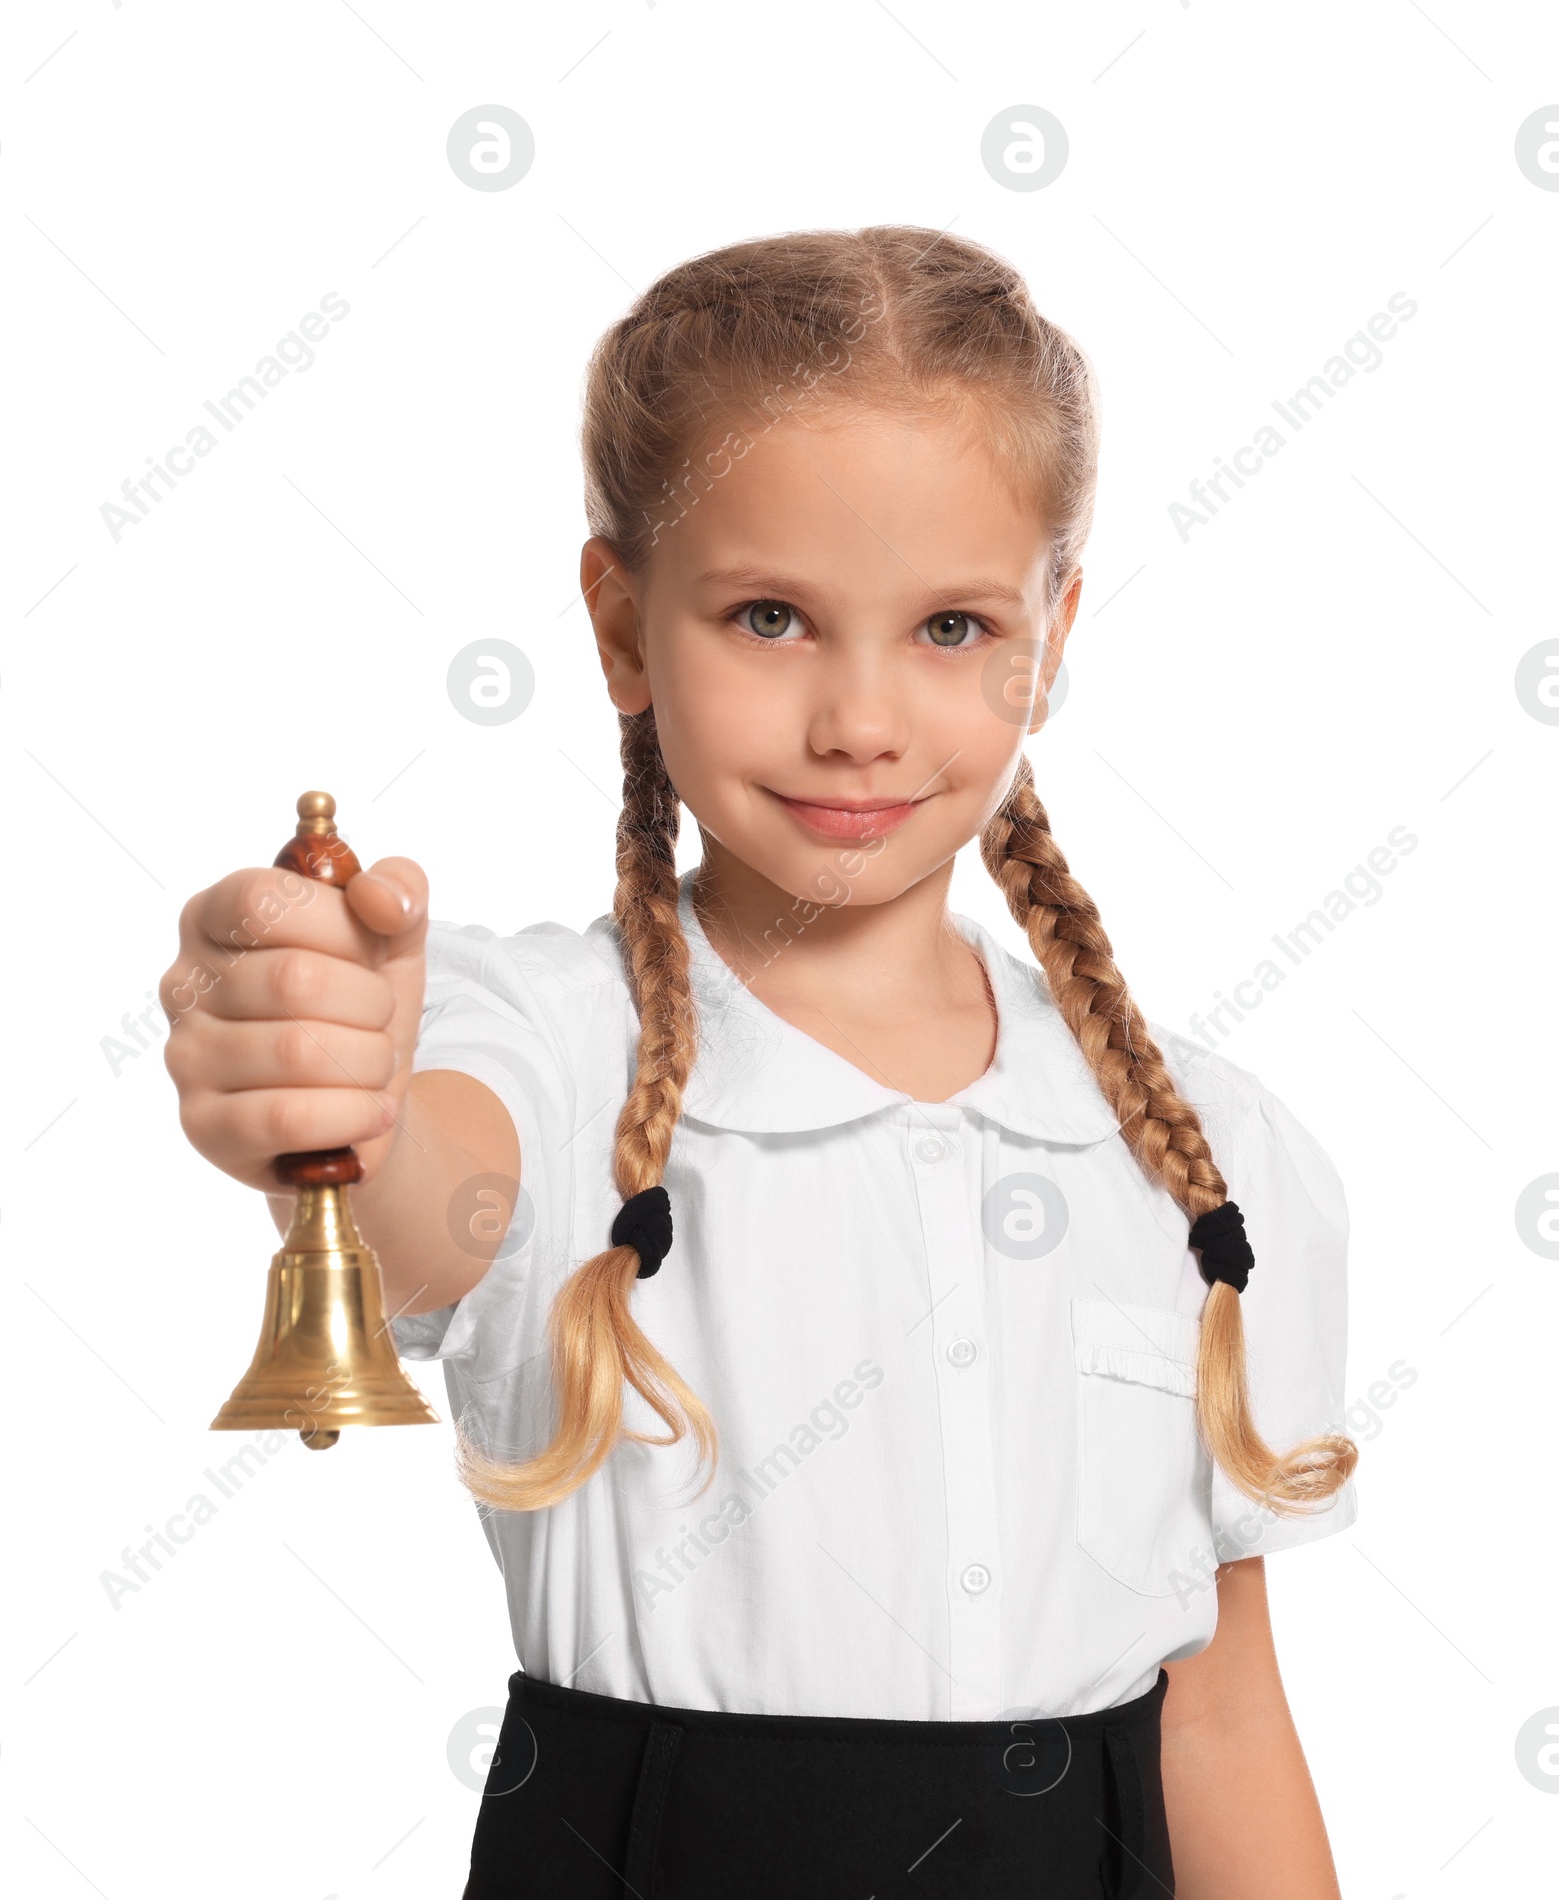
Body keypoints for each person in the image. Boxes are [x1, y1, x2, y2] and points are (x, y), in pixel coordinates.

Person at [161, 225, 1360, 1899]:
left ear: (1052, 632)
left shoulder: (1200, 1153)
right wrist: (328, 1090)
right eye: (773, 616)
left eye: (950, 627)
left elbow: (1220, 1724)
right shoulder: (554, 1048)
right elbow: (434, 1192)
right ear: (622, 624)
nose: (861, 718)